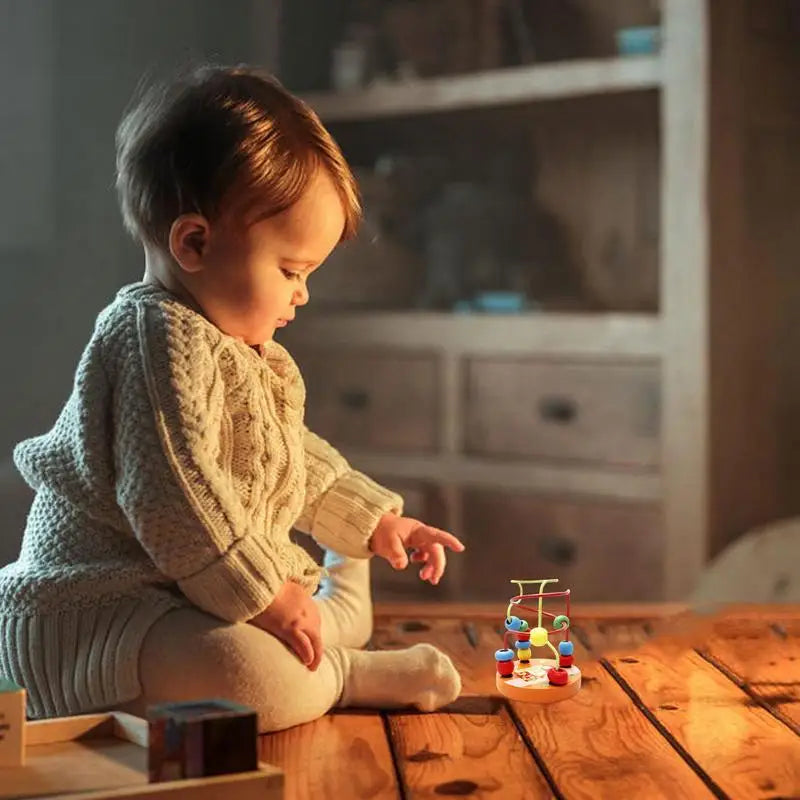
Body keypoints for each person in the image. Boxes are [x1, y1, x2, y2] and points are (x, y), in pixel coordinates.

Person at [0, 65, 464, 732]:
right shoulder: (152, 338)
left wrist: (374, 523)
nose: (302, 294)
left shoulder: (242, 355)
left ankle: (336, 604)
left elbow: (290, 461)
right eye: (291, 271)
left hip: (176, 603)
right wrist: (268, 596)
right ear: (193, 242)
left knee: (260, 644)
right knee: (247, 681)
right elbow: (176, 496)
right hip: (92, 620)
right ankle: (342, 668)